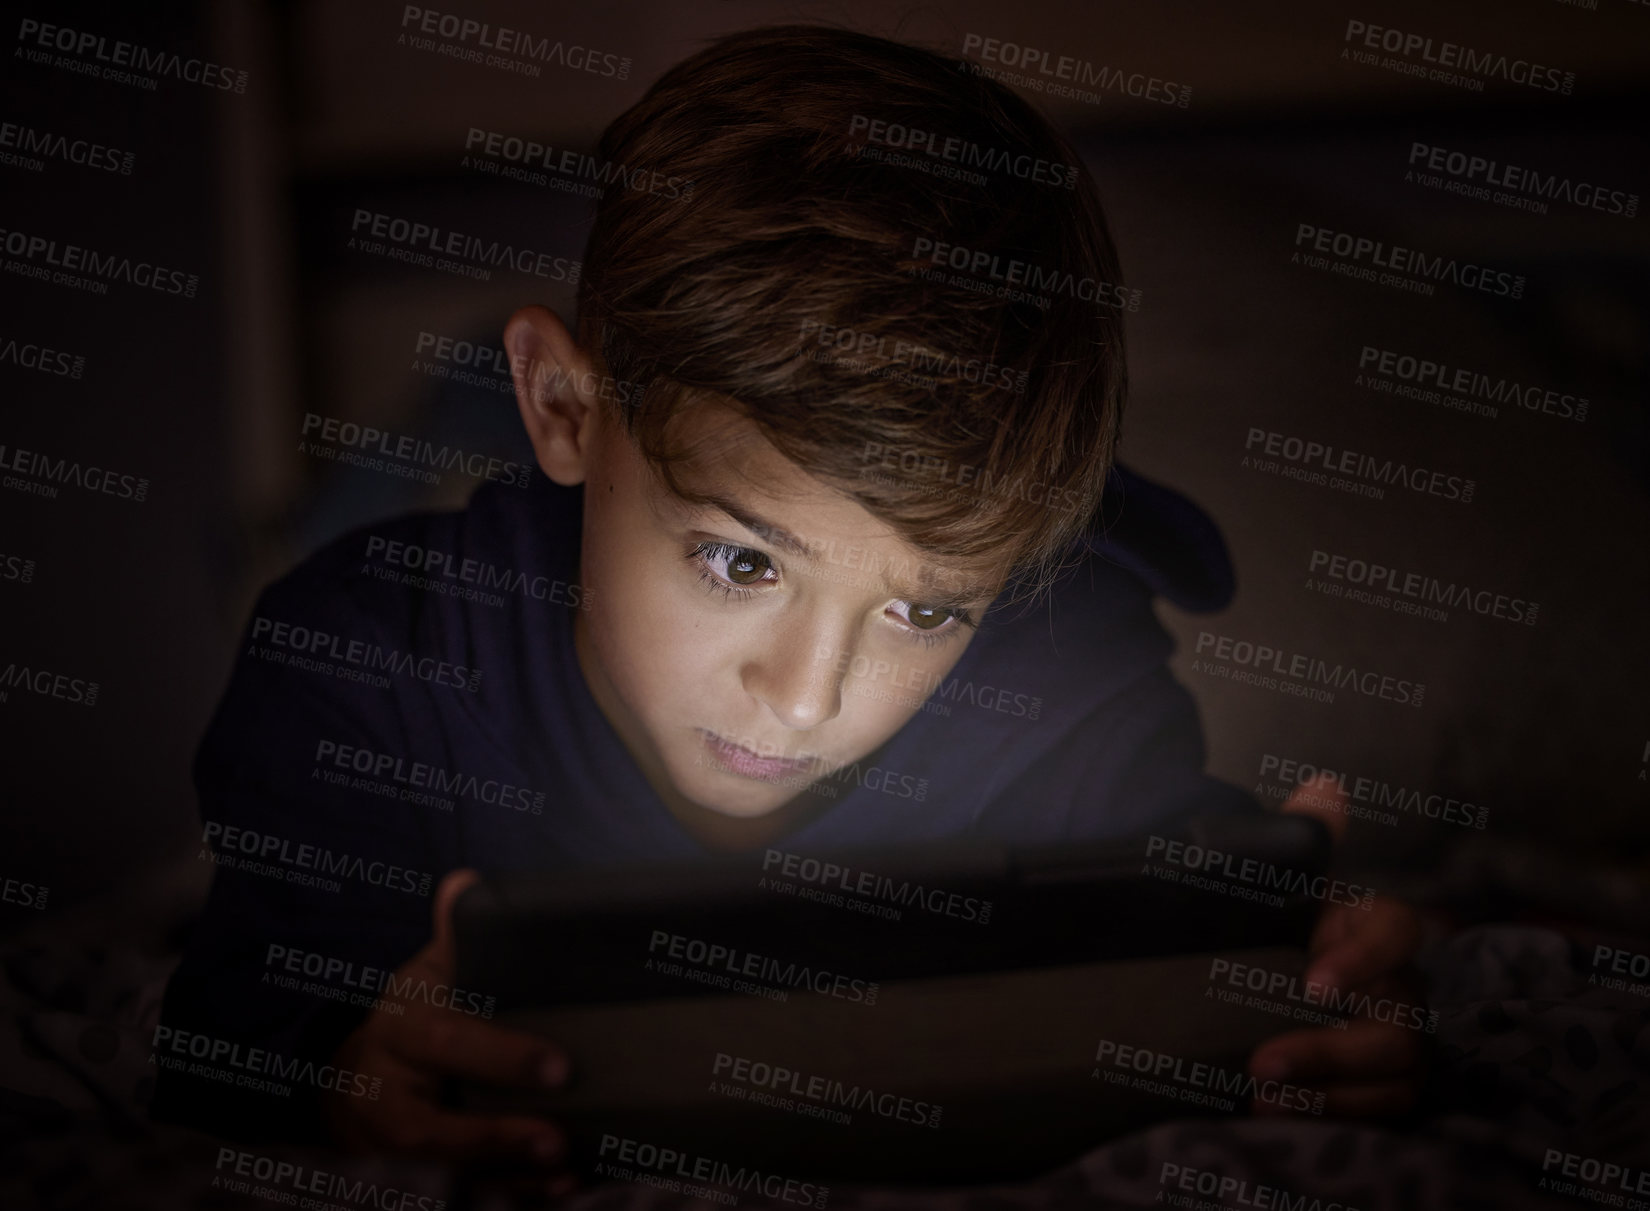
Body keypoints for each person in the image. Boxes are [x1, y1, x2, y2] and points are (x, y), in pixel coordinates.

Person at [151, 23, 1424, 1191]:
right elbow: (231, 1020)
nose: (809, 697)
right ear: (565, 409)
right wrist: (345, 1061)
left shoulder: (1065, 668)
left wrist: (1312, 983)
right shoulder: (367, 667)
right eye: (741, 563)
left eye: (926, 613)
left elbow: (1168, 932)